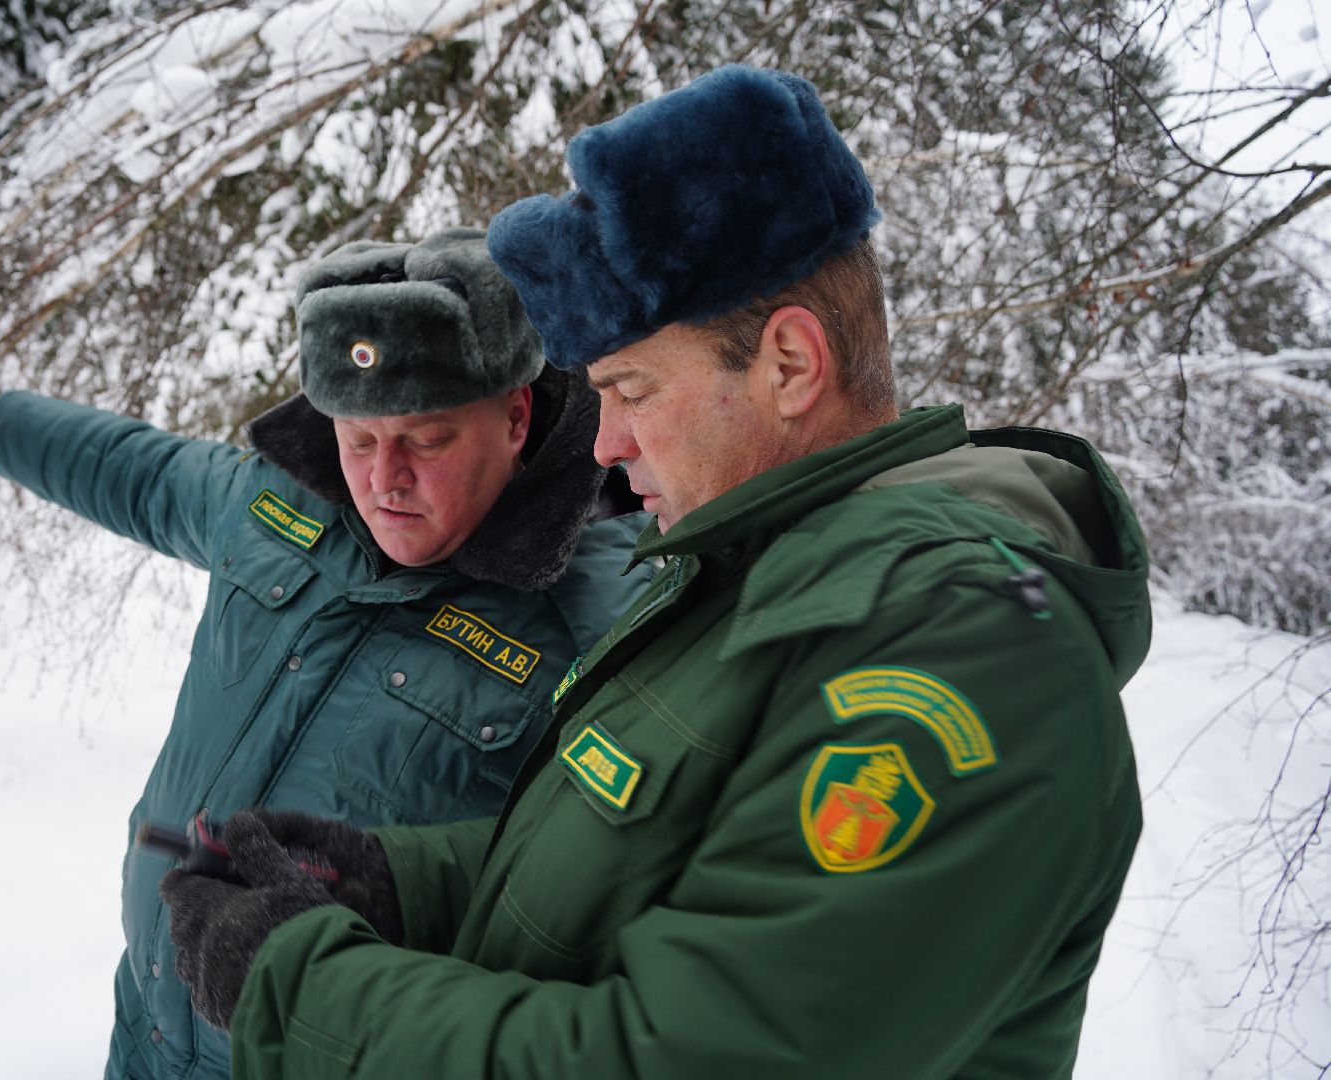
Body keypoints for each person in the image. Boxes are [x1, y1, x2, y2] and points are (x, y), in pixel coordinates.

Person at [159, 67, 1152, 1078]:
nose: (604, 444)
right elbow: (634, 868)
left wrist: (299, 984)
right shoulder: (757, 580)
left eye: (630, 389)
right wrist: (399, 880)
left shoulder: (965, 652)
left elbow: (683, 1056)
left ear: (791, 365)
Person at [0, 227, 654, 1080]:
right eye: (358, 438)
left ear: (516, 415)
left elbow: (588, 897)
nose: (384, 480)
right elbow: (142, 473)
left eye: (427, 439)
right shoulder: (278, 508)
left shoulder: (597, 624)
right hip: (148, 1024)